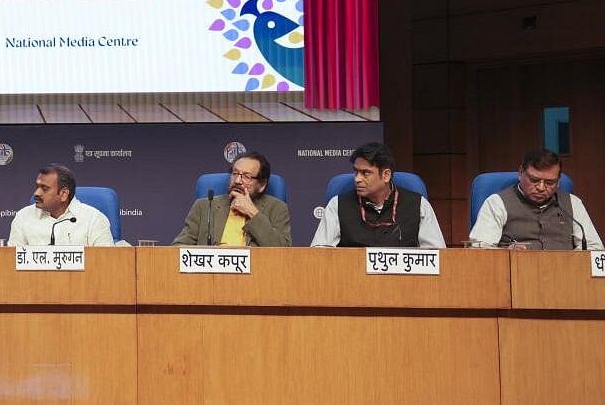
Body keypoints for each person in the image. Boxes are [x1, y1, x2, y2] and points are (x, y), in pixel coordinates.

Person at [311, 142, 446, 248]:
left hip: (404, 282)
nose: (357, 179)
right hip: (352, 280)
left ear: (386, 175)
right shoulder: (337, 205)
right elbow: (320, 253)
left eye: (365, 173)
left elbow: (437, 256)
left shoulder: (419, 206)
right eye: (356, 172)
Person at [468, 148, 603, 250]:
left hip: (564, 276)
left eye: (550, 183)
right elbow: (479, 249)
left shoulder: (572, 203)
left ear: (559, 181)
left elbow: (594, 248)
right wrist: (506, 253)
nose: (541, 187)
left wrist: (570, 262)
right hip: (515, 277)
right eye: (534, 180)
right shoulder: (497, 203)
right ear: (520, 173)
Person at [173, 152, 291, 246]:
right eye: (235, 173)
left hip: (257, 274)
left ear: (262, 185)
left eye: (246, 176)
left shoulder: (277, 208)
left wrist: (252, 212)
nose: (237, 181)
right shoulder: (203, 206)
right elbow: (179, 246)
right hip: (209, 274)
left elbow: (283, 251)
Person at [8, 164, 113, 246]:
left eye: (44, 189)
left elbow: (106, 262)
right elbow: (10, 261)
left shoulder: (94, 219)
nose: (36, 193)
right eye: (37, 187)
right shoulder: (23, 217)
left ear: (63, 194)